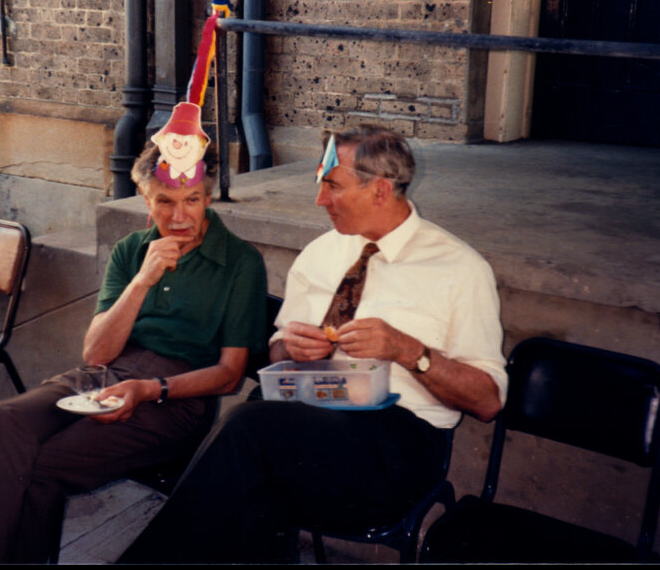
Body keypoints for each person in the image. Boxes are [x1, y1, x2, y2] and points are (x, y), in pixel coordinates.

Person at [119, 124, 507, 563]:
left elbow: (488, 402)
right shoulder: (323, 252)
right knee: (252, 488)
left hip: (397, 444)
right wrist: (293, 350)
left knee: (249, 431)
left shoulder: (459, 268)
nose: (320, 200)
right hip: (312, 412)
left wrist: (410, 353)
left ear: (380, 190)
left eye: (332, 186)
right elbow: (280, 353)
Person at [0, 131, 268, 564]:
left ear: (208, 198)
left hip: (177, 396)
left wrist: (148, 389)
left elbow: (230, 375)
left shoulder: (240, 262)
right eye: (165, 202)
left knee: (40, 467)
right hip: (104, 375)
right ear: (145, 200)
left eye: (191, 200)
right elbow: (97, 354)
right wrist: (142, 280)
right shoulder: (131, 250)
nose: (179, 216)